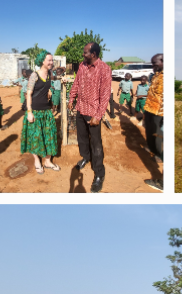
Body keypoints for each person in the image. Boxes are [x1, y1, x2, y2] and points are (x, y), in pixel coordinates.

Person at [68, 42, 111, 193]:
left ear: (93, 54)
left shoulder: (104, 69)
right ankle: (86, 157)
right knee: (82, 139)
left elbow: (105, 95)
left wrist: (98, 116)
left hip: (93, 113)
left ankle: (99, 172)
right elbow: (77, 82)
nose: (83, 54)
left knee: (96, 144)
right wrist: (71, 99)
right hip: (81, 108)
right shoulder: (82, 65)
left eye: (85, 52)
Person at [21, 51, 60, 175]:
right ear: (42, 61)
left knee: (49, 136)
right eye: (49, 60)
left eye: (52, 60)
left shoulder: (49, 73)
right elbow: (29, 94)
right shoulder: (34, 75)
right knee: (35, 137)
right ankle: (37, 160)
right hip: (35, 111)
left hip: (47, 111)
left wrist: (61, 80)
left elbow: (51, 82)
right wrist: (29, 112)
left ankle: (47, 162)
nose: (51, 62)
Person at [144, 53, 164, 164]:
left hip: (159, 112)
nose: (153, 66)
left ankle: (158, 155)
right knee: (149, 131)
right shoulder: (156, 74)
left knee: (157, 135)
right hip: (149, 108)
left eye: (155, 63)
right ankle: (151, 149)